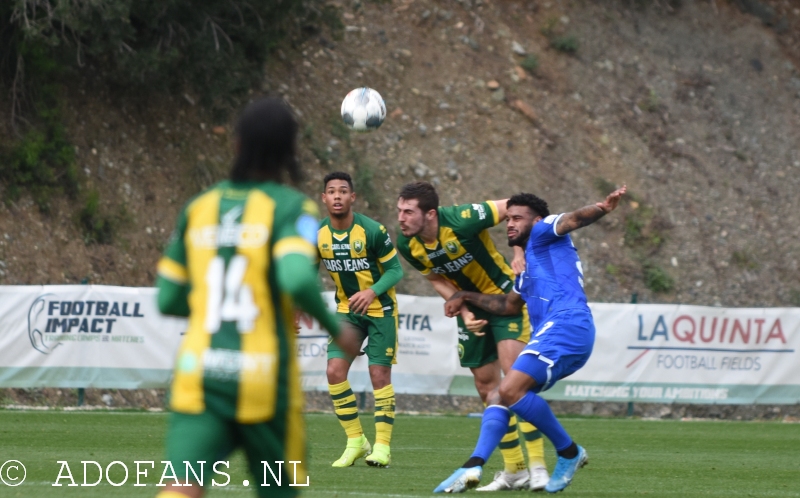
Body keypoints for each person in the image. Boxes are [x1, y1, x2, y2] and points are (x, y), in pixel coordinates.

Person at [154, 98, 360, 498]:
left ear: (237, 144)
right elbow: (297, 279)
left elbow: (168, 300)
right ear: (290, 151)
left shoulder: (199, 208)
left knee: (183, 488)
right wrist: (337, 327)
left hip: (201, 374)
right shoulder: (290, 209)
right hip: (263, 380)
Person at [433, 185, 627, 494]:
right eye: (508, 218)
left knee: (509, 387)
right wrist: (464, 295)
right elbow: (508, 306)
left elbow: (574, 219)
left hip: (566, 325)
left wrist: (602, 207)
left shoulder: (544, 231)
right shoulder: (527, 270)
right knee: (501, 395)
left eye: (517, 218)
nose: (509, 224)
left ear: (535, 221)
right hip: (561, 333)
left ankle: (568, 452)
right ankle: (473, 465)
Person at [395, 181, 549, 491]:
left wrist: (519, 249)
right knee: (485, 387)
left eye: (408, 212)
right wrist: (464, 312)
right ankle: (515, 469)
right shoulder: (407, 244)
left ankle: (539, 466)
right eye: (399, 211)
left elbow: (516, 207)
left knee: (514, 382)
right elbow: (436, 278)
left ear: (431, 214)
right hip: (472, 309)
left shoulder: (464, 218)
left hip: (507, 300)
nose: (400, 218)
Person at [317, 171, 404, 468]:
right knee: (334, 371)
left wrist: (372, 291)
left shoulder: (372, 230)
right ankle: (356, 441)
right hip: (347, 312)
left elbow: (395, 271)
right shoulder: (318, 234)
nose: (337, 196)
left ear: (353, 197)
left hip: (381, 312)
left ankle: (382, 447)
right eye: (332, 191)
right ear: (324, 198)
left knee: (379, 376)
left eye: (343, 191)